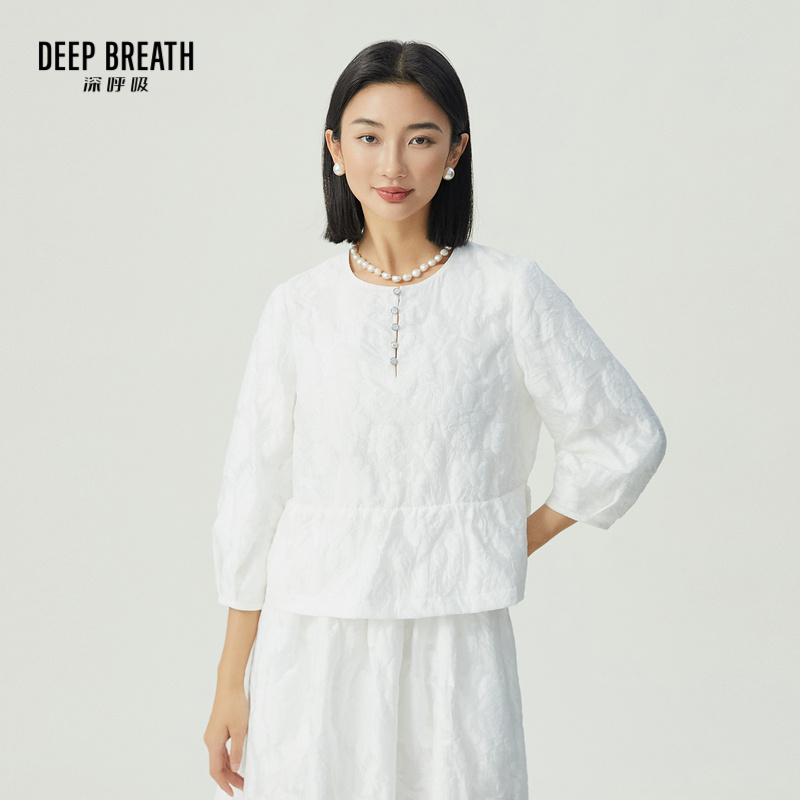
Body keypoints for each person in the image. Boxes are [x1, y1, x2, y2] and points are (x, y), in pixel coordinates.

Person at [203, 39, 667, 800]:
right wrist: (231, 680)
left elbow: (623, 436)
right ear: (335, 149)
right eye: (369, 137)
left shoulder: (508, 292)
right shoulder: (298, 309)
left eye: (420, 139)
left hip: (458, 644)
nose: (392, 165)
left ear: (455, 152)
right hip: (312, 641)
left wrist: (506, 537)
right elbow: (252, 496)